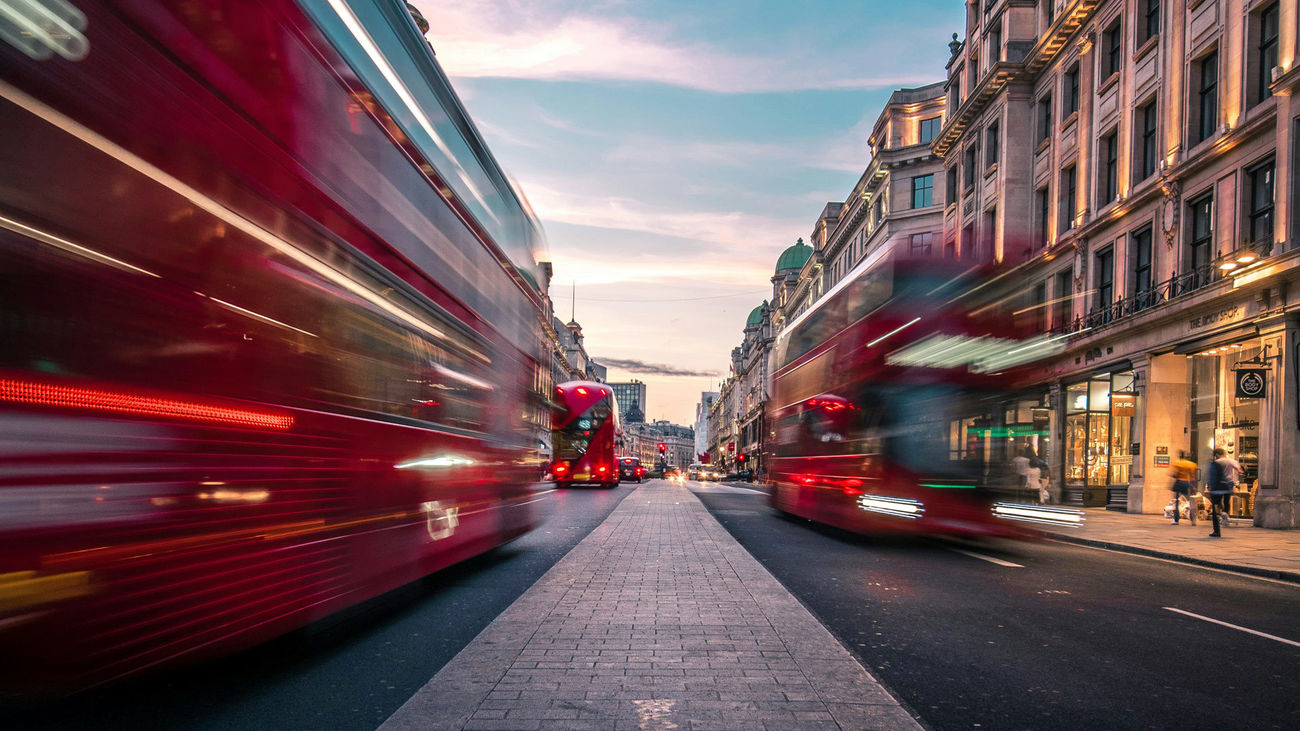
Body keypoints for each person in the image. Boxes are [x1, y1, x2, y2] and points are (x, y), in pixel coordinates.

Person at [1206, 448, 1235, 537]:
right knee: (1226, 503)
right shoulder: (1228, 461)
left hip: (1216, 490)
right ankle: (1225, 514)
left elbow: (1211, 478)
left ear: (1216, 455)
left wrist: (1210, 487)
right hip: (1225, 487)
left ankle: (1217, 531)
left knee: (1215, 510)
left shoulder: (1215, 464)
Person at [1168, 451, 1197, 525]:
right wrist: (1193, 486)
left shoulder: (1178, 463)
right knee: (1190, 501)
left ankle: (1176, 520)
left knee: (1176, 501)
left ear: (1180, 456)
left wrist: (1173, 476)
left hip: (1179, 482)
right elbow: (1193, 476)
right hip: (1188, 482)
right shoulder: (1192, 465)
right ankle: (1193, 519)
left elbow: (1175, 474)